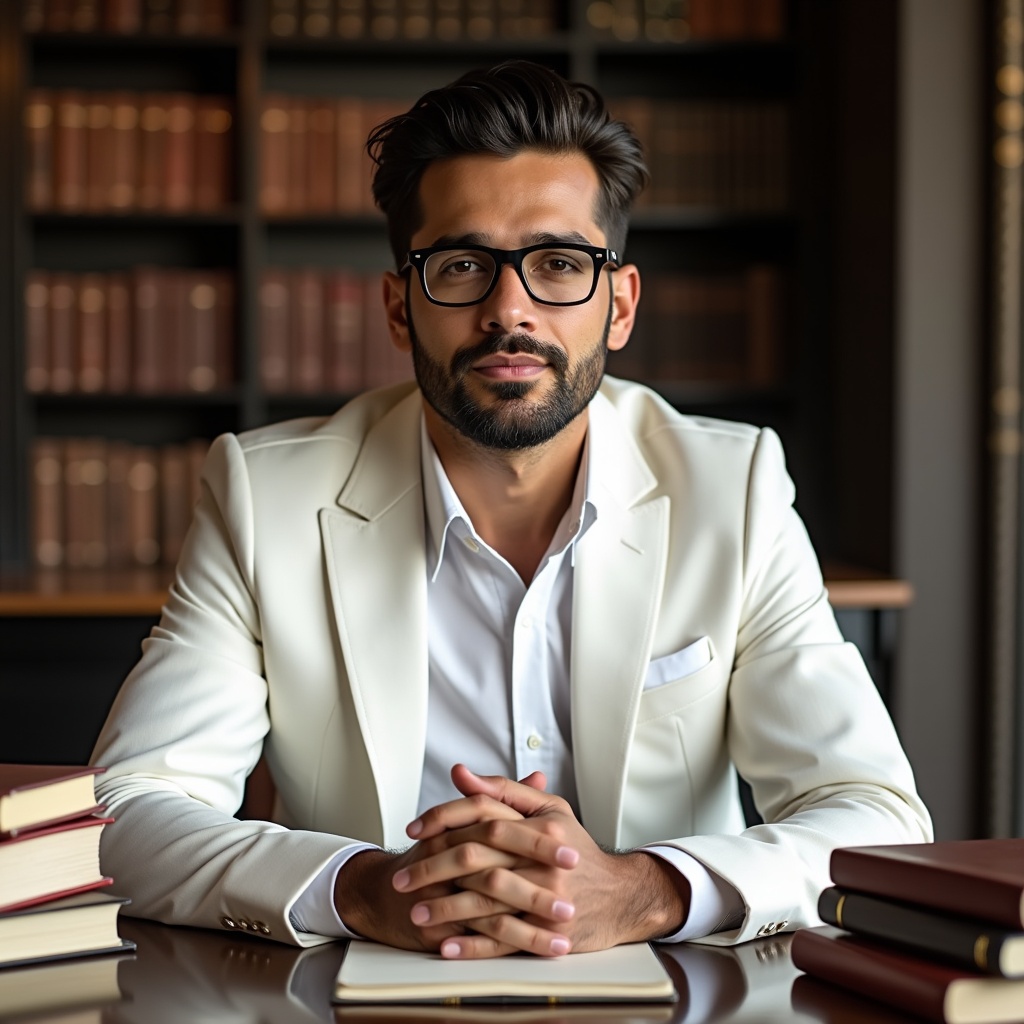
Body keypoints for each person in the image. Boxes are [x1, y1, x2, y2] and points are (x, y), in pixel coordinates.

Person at [91, 60, 932, 959]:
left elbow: (875, 817)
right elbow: (127, 814)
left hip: (670, 989)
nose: (509, 311)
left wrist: (647, 890)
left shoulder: (734, 489)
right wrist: (363, 888)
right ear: (398, 307)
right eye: (461, 265)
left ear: (619, 305)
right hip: (362, 989)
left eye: (559, 264)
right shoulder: (268, 498)